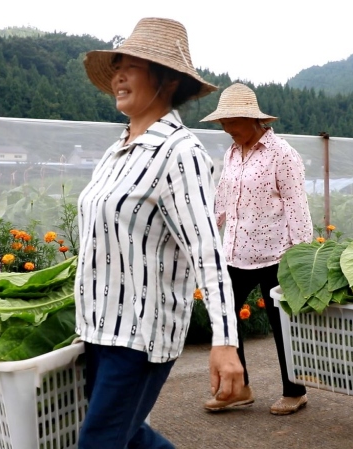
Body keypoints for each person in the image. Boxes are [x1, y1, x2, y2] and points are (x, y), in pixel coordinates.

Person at [77, 17, 244, 448]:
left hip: (138, 334)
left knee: (98, 442)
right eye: (116, 65)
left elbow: (207, 254)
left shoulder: (180, 153)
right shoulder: (116, 152)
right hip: (96, 328)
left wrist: (226, 342)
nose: (118, 75)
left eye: (131, 65)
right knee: (130, 438)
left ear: (167, 80)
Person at [200, 83, 313, 415]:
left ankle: (295, 391)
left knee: (283, 327)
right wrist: (206, 233)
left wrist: (302, 256)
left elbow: (297, 206)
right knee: (224, 320)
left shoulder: (282, 154)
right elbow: (222, 199)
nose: (226, 130)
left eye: (231, 123)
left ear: (250, 119)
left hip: (275, 254)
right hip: (234, 254)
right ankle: (240, 388)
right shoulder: (232, 152)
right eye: (222, 124)